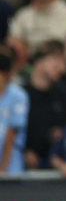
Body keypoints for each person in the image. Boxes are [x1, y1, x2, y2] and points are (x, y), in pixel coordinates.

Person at [0, 45, 28, 176]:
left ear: (6, 74)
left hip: (10, 170)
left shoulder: (18, 96)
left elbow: (10, 136)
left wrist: (2, 171)